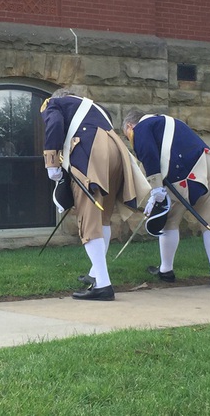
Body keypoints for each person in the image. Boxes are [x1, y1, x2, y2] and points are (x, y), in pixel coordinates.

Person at [41, 89, 149, 301]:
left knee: (88, 219)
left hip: (92, 153)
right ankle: (96, 274)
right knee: (103, 217)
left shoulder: (55, 103)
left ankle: (104, 285)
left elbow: (53, 124)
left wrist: (51, 163)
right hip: (117, 152)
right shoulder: (96, 107)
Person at [122, 109, 210, 288]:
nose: (130, 139)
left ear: (130, 126)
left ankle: (166, 270)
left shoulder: (141, 128)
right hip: (208, 165)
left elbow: (148, 153)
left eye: (127, 134)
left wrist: (156, 189)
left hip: (183, 174)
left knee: (169, 221)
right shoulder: (172, 123)